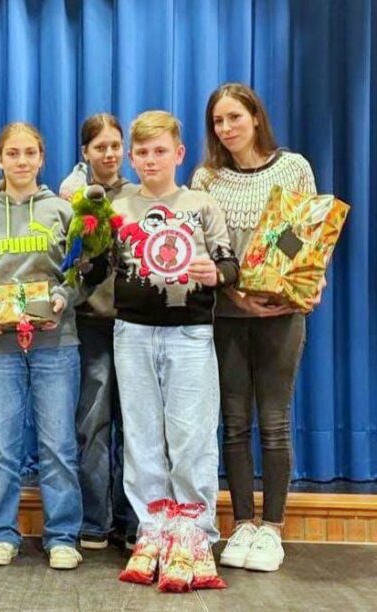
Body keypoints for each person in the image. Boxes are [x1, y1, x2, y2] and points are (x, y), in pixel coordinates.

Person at [191, 83, 322, 572]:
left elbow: (307, 237)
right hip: (226, 315)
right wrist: (235, 294)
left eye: (235, 117)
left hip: (281, 313)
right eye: (218, 121)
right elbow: (202, 249)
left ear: (255, 117)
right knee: (234, 422)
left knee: (274, 422)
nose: (227, 128)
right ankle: (243, 523)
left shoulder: (294, 168)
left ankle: (272, 528)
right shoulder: (205, 178)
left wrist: (308, 282)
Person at [111, 111, 238, 561]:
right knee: (141, 435)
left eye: (160, 151)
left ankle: (194, 534)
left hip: (190, 333)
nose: (151, 160)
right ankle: (152, 529)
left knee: (191, 436)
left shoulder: (201, 205)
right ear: (131, 158)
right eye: (142, 152)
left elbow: (229, 264)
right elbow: (97, 267)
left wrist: (215, 274)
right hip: (132, 333)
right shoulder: (117, 209)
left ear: (179, 154)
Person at [0, 122, 84, 569]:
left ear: (42, 158)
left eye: (30, 152)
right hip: (0, 346)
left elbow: (80, 273)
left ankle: (62, 535)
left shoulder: (62, 212)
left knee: (58, 445)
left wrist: (63, 297)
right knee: (2, 447)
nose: (22, 161)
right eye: (13, 153)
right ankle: (3, 533)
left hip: (55, 342)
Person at [57, 114, 140, 550]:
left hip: (135, 324)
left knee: (136, 427)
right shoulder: (70, 200)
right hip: (90, 323)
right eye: (99, 147)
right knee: (92, 424)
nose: (108, 154)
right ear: (85, 153)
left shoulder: (139, 196)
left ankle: (131, 519)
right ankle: (94, 519)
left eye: (114, 146)